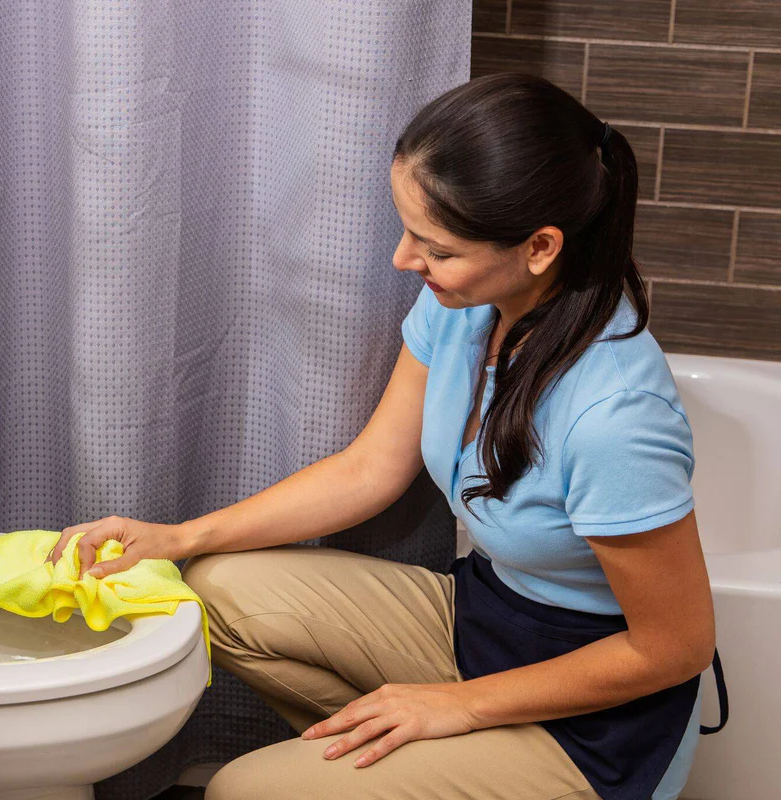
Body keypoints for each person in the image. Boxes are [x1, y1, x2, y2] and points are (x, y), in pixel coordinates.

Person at [47, 73, 724, 799]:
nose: (403, 260)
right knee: (205, 587)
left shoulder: (614, 414)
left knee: (245, 791)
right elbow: (369, 468)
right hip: (484, 623)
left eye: (436, 248)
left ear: (540, 246)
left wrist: (459, 707)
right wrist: (181, 536)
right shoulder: (469, 306)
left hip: (595, 723)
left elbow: (675, 648)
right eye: (407, 232)